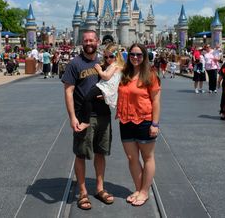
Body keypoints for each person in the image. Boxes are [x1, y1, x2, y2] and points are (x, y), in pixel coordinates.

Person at [62, 30, 114, 210]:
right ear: (82, 42)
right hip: (84, 117)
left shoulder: (105, 60)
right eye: (86, 40)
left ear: (98, 41)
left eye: (92, 40)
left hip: (103, 115)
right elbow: (68, 91)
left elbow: (115, 82)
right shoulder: (74, 64)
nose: (89, 43)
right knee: (81, 153)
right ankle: (83, 192)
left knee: (101, 152)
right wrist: (72, 117)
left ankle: (100, 188)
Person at [116, 43, 161, 206]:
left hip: (144, 120)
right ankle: (138, 188)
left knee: (147, 157)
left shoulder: (150, 75)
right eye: (132, 54)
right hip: (126, 120)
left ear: (145, 56)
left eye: (139, 55)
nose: (135, 57)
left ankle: (144, 191)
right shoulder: (124, 74)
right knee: (131, 158)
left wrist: (155, 124)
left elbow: (156, 101)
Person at [79, 43, 124, 131]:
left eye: (111, 56)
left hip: (105, 87)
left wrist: (99, 70)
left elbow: (106, 76)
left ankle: (85, 121)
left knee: (87, 98)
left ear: (116, 56)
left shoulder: (114, 65)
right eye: (106, 57)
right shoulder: (118, 65)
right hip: (109, 88)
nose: (108, 59)